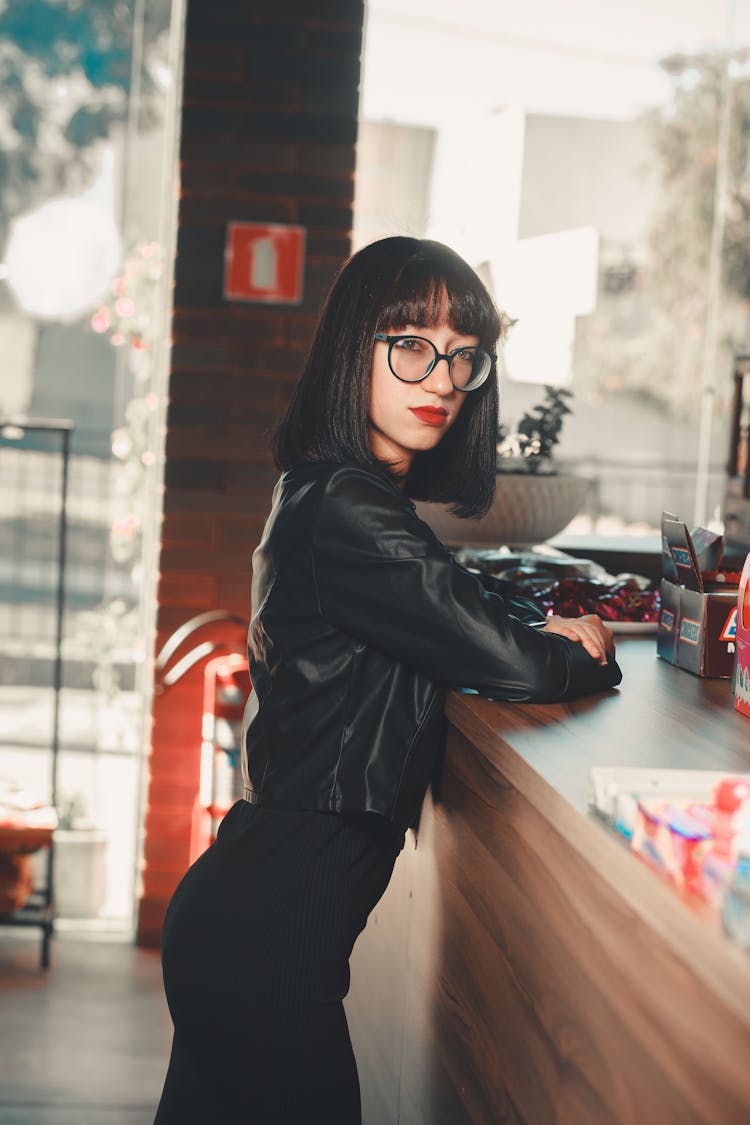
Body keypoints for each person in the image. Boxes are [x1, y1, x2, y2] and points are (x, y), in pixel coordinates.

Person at [153, 236, 621, 1125]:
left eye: (464, 356)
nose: (442, 377)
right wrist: (585, 651)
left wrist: (522, 622)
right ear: (351, 349)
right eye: (411, 344)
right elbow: (515, 662)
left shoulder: (334, 494)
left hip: (250, 924)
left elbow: (447, 604)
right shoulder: (348, 508)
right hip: (267, 945)